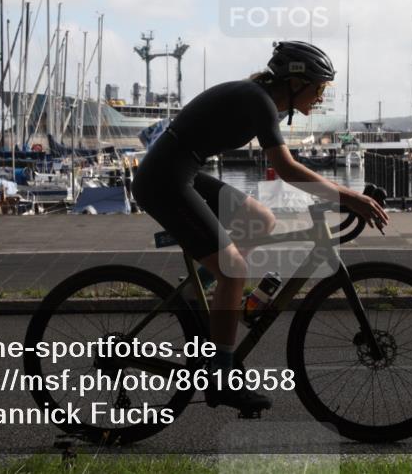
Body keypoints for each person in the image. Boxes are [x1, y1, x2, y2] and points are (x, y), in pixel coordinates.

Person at [131, 41, 389, 412]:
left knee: (260, 219)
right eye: (319, 88)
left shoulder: (263, 100)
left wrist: (339, 194)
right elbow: (286, 169)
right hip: (164, 180)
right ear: (295, 83)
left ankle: (194, 295)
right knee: (235, 267)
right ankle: (221, 377)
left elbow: (288, 167)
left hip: (180, 171)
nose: (320, 97)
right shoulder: (260, 101)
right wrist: (349, 197)